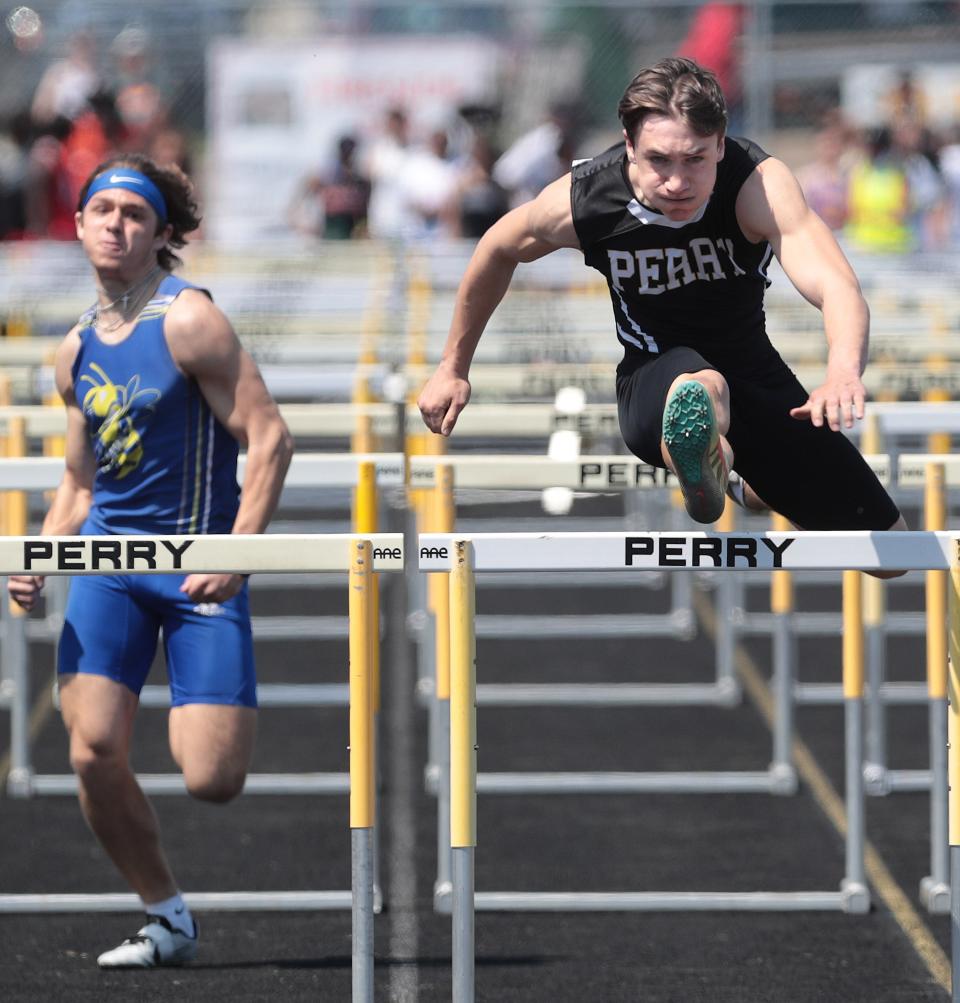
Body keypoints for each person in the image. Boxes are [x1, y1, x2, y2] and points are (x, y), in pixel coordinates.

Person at [418, 57, 906, 550]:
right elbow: (496, 249)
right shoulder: (587, 198)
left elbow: (835, 283)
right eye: (659, 161)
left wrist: (844, 371)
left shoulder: (755, 185)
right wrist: (452, 367)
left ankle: (741, 478)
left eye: (695, 159)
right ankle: (707, 456)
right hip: (654, 381)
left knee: (892, 551)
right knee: (701, 387)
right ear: (629, 147)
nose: (676, 182)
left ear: (720, 144)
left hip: (755, 377)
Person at [6, 154, 294, 967]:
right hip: (108, 564)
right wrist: (41, 553)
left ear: (164, 234)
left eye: (135, 214)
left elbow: (269, 438)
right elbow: (78, 478)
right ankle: (165, 913)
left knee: (212, 776)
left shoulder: (190, 319)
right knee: (90, 750)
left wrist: (238, 550)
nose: (115, 225)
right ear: (80, 223)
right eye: (103, 211)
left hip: (200, 562)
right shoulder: (72, 352)